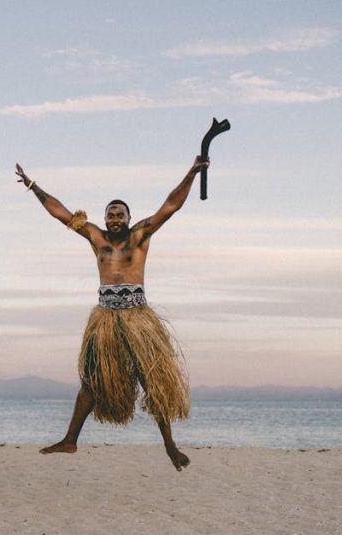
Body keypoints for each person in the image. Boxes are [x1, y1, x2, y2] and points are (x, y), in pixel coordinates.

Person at [14, 155, 209, 471]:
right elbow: (60, 213)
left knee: (152, 381)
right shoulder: (96, 237)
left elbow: (170, 206)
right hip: (104, 320)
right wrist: (33, 186)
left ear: (130, 217)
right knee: (90, 381)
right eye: (110, 214)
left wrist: (191, 173)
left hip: (137, 320)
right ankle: (70, 440)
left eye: (120, 214)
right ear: (104, 219)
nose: (115, 218)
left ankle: (171, 447)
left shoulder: (140, 235)